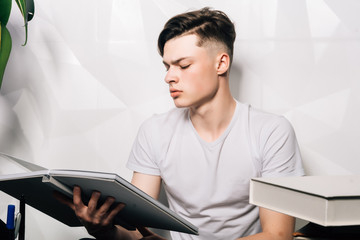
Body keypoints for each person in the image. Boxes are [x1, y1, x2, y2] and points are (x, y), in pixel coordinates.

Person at [57, 7, 304, 240]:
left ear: (221, 63)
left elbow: (277, 236)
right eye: (167, 66)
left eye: (183, 65)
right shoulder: (154, 132)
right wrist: (104, 230)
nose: (168, 77)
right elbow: (134, 232)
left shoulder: (271, 132)